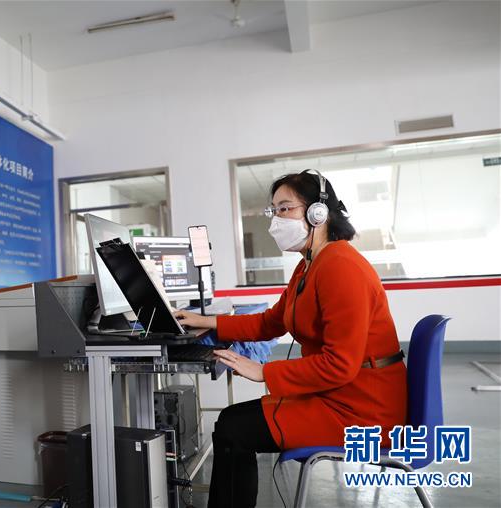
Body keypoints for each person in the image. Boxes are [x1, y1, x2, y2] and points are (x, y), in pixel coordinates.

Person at [174, 170, 407, 508]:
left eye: (285, 209)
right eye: (274, 211)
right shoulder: (310, 265)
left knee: (233, 428)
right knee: (231, 422)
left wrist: (264, 372)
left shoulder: (341, 267)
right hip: (338, 396)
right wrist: (206, 321)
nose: (276, 220)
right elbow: (271, 322)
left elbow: (340, 364)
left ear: (318, 213)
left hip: (362, 411)